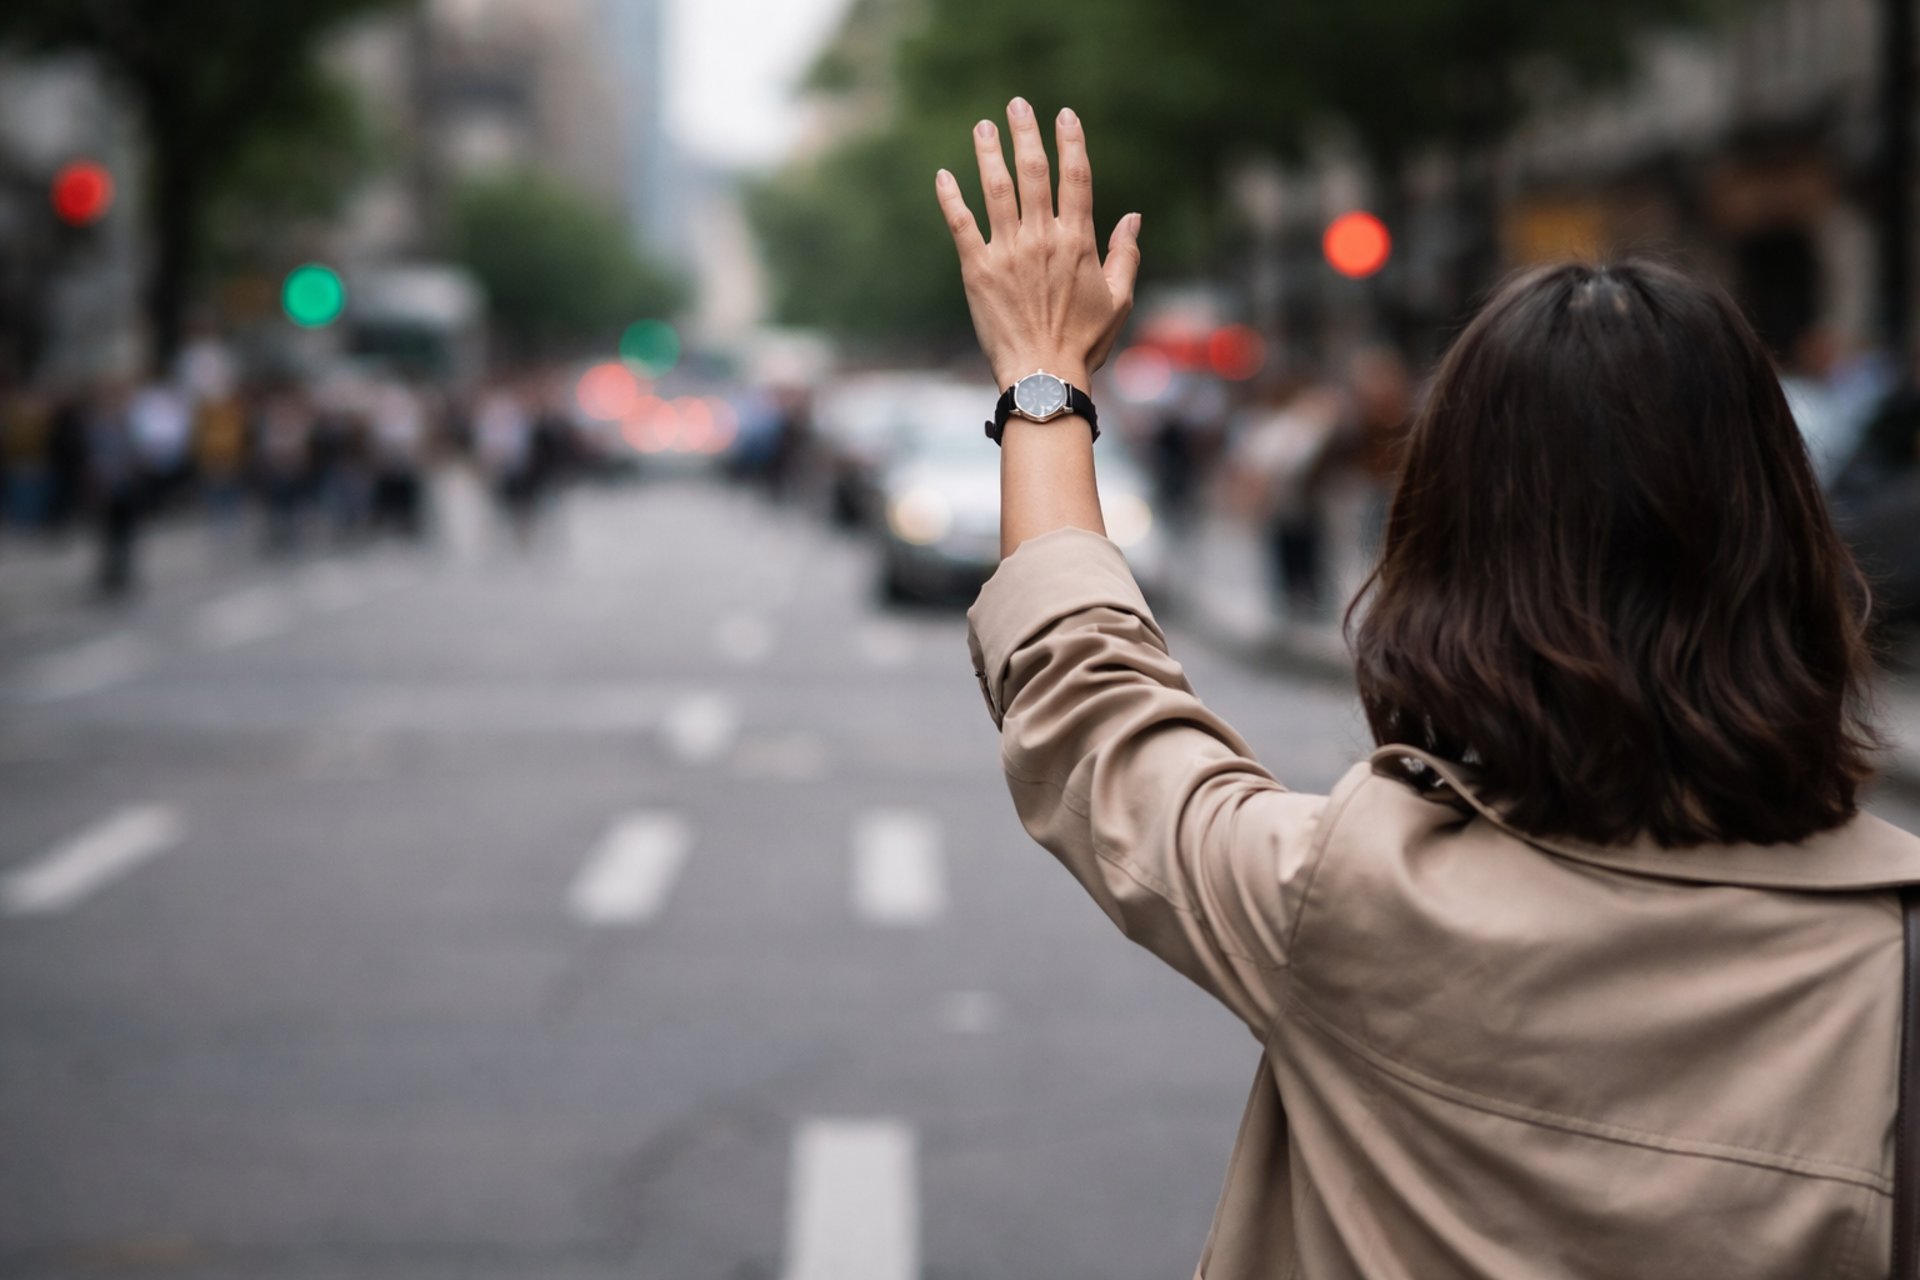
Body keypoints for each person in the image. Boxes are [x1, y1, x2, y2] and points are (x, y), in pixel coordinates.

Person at [934, 100, 1920, 1279]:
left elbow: (1089, 696)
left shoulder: (1345, 898)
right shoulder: (1890, 967)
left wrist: (1042, 381)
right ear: (1786, 546)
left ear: (1439, 549)